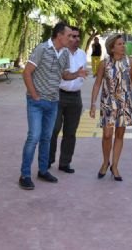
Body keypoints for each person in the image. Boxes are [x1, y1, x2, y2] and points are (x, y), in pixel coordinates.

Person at [20, 22, 87, 190]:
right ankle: (25, 175)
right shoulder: (42, 49)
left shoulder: (63, 54)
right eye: (69, 35)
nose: (71, 38)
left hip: (53, 102)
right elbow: (27, 72)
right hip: (36, 102)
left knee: (47, 138)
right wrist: (34, 95)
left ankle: (43, 170)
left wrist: (77, 74)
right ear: (59, 35)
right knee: (33, 137)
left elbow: (64, 75)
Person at [89, 34, 132, 181]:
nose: (123, 46)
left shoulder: (130, 62)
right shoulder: (104, 63)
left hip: (124, 103)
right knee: (107, 135)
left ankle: (115, 166)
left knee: (119, 135)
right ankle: (106, 162)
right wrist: (93, 104)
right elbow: (98, 83)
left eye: (123, 43)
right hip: (107, 103)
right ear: (112, 48)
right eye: (119, 44)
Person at [49, 26, 86, 173]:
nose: (76, 39)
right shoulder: (59, 53)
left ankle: (65, 163)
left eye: (78, 37)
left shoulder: (82, 54)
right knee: (54, 129)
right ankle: (48, 160)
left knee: (70, 132)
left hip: (75, 97)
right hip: (58, 94)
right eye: (73, 36)